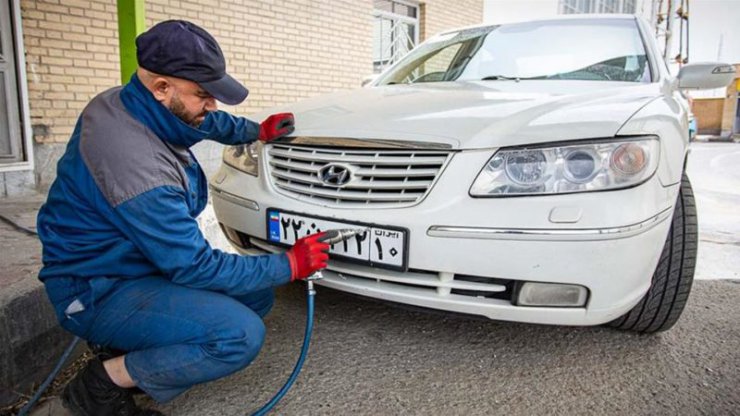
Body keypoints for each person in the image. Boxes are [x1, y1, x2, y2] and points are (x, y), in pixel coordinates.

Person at [36, 20, 329, 416]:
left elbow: (199, 120)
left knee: (256, 294)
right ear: (161, 87)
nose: (212, 105)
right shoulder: (136, 167)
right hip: (96, 287)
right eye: (204, 95)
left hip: (135, 264)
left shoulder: (126, 101)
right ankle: (101, 386)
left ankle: (133, 348)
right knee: (239, 335)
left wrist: (254, 131)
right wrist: (290, 263)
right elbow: (194, 266)